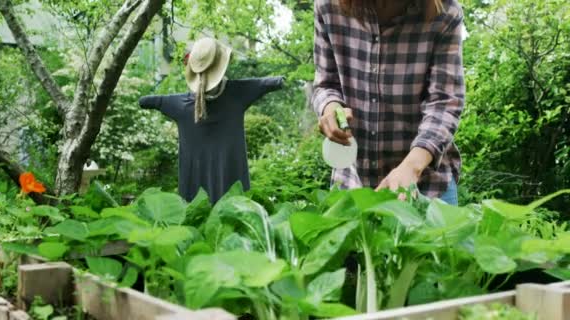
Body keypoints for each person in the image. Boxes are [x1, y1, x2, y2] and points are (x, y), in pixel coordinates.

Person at [312, 0, 465, 205]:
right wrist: (331, 108)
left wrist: (411, 168)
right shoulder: (328, 7)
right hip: (353, 186)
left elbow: (444, 102)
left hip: (428, 188)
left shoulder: (445, 14)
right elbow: (326, 83)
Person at [139, 38, 284, 203]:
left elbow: (147, 101)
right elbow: (266, 83)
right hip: (233, 203)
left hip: (195, 204)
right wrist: (278, 81)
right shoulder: (237, 94)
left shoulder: (181, 105)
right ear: (222, 66)